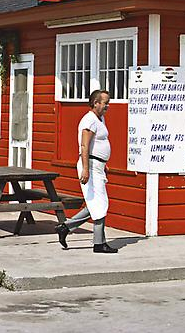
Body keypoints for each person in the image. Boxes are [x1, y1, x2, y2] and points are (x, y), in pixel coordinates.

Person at [55, 89, 118, 253]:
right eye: (105, 103)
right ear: (95, 103)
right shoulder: (89, 121)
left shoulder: (100, 119)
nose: (107, 106)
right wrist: (85, 169)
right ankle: (99, 243)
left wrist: (104, 163)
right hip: (89, 165)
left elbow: (98, 144)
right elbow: (84, 146)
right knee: (100, 204)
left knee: (95, 204)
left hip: (97, 165)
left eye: (108, 103)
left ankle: (65, 228)